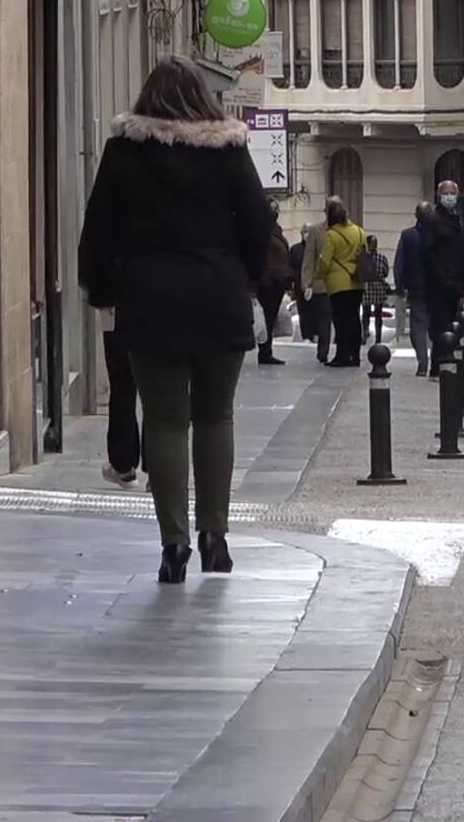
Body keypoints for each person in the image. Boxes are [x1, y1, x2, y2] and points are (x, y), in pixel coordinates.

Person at [78, 55, 273, 585]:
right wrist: (247, 279)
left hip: (150, 300)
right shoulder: (229, 152)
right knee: (217, 416)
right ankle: (215, 533)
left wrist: (104, 290)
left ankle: (174, 543)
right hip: (218, 295)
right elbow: (259, 225)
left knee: (165, 421)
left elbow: (98, 228)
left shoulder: (125, 151)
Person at [422, 181, 464, 376]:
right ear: (438, 196)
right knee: (441, 325)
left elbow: (461, 250)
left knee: (449, 324)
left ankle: (443, 365)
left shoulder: (456, 219)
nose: (450, 196)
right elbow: (429, 253)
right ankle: (438, 366)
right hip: (440, 283)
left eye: (453, 193)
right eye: (446, 193)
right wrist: (443, 276)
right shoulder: (434, 220)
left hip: (454, 283)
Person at [319, 200, 367, 367]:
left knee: (341, 321)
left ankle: (342, 356)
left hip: (338, 283)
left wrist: (320, 275)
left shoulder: (331, 235)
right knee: (354, 319)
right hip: (358, 281)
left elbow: (325, 261)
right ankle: (355, 356)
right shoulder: (360, 232)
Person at [100, 312, 140, 488]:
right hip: (158, 309)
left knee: (122, 386)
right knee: (157, 390)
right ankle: (157, 470)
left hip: (118, 312)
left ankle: (123, 466)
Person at [394, 203, 433, 375]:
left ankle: (422, 360)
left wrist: (399, 287)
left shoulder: (408, 236)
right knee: (436, 324)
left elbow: (399, 264)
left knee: (418, 325)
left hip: (416, 287)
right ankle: (438, 361)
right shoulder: (440, 234)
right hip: (437, 287)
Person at [256, 202, 291, 366]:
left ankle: (267, 350)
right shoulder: (262, 230)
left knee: (270, 317)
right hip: (268, 282)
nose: (276, 211)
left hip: (277, 281)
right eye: (273, 208)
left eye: (277, 209)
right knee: (267, 317)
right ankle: (265, 351)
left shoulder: (276, 230)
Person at [301, 203, 337, 364]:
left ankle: (344, 351)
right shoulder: (316, 231)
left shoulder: (349, 231)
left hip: (342, 284)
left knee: (341, 319)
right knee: (324, 318)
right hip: (322, 284)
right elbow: (309, 258)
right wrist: (306, 283)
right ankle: (323, 350)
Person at [359, 235, 390, 347]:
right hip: (378, 287)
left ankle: (365, 334)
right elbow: (386, 273)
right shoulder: (382, 258)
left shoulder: (362, 258)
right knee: (378, 314)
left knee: (366, 313)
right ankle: (378, 338)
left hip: (367, 287)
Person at [290, 226, 313, 341]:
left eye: (309, 232)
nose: (307, 235)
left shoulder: (317, 249)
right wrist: (290, 286)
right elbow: (291, 268)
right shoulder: (295, 249)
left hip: (314, 286)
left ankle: (314, 334)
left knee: (315, 311)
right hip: (299, 286)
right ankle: (306, 336)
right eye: (305, 232)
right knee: (303, 311)